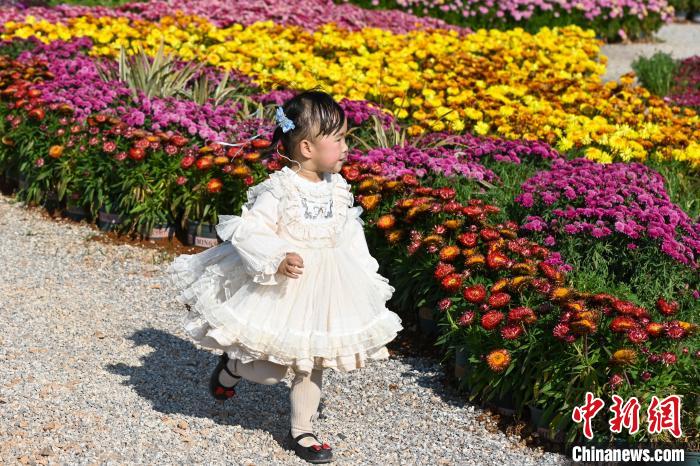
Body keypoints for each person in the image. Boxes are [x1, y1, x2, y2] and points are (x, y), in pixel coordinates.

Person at [166, 88, 403, 463]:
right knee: (272, 372)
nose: (346, 148)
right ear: (307, 147)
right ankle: (233, 367)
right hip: (284, 288)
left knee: (314, 359)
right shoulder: (280, 189)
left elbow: (349, 234)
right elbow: (249, 231)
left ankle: (302, 429)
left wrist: (366, 278)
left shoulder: (338, 188)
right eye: (338, 139)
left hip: (328, 287)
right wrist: (276, 257)